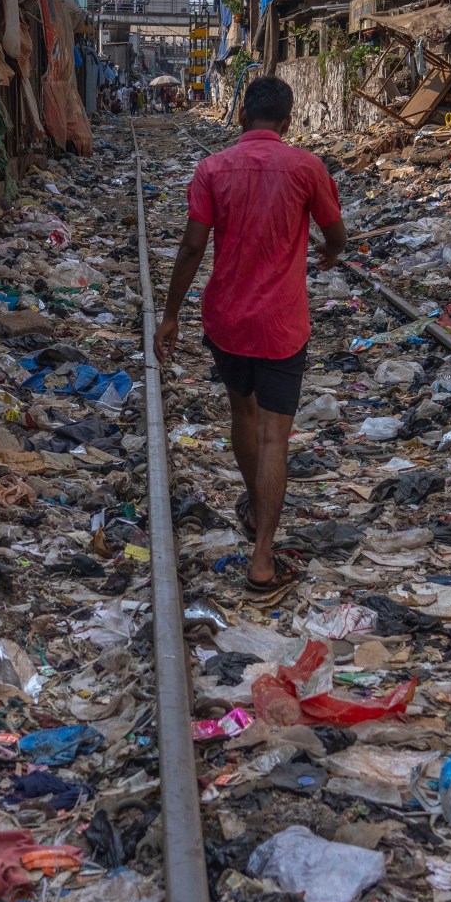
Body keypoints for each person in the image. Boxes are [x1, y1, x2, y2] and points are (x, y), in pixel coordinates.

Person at [156, 75, 346, 591]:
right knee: (275, 435)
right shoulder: (307, 167)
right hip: (282, 324)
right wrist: (329, 252)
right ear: (286, 123)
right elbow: (336, 233)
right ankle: (263, 557)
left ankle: (257, 506)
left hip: (228, 320)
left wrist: (170, 314)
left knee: (243, 412)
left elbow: (192, 247)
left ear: (241, 117)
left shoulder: (212, 169)